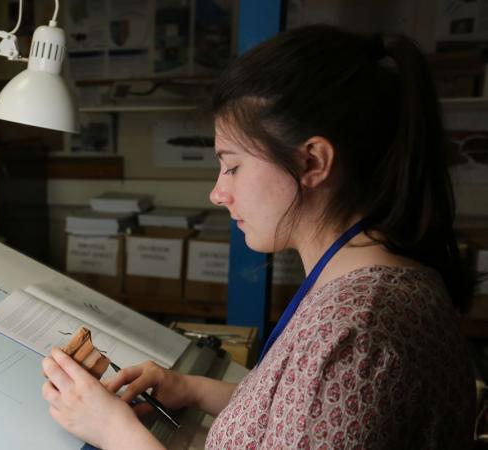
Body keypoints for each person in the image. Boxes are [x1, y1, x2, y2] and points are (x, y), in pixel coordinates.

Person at [41, 24, 477, 449]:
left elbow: (323, 393)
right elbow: (303, 412)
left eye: (233, 166)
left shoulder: (353, 334)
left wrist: (115, 432)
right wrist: (192, 389)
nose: (217, 193)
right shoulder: (371, 287)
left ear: (312, 162)